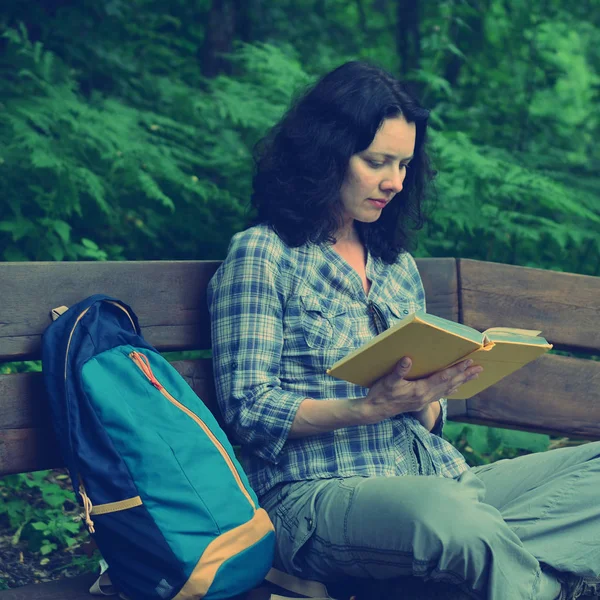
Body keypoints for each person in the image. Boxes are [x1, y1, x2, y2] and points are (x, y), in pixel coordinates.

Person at [207, 61, 600, 600]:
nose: (395, 181)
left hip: (438, 484)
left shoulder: (396, 266)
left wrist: (429, 395)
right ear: (325, 154)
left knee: (510, 497)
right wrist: (366, 408)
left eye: (405, 165)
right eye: (377, 162)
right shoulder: (264, 255)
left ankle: (497, 567)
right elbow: (247, 409)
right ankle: (549, 588)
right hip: (314, 496)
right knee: (449, 518)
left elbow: (429, 423)